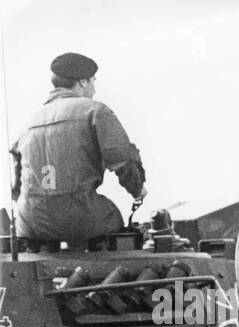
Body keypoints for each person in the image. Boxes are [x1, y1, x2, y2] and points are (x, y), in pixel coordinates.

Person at [9, 52, 146, 247]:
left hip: (31, 224)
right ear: (82, 82)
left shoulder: (28, 122)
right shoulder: (95, 111)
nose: (94, 88)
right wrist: (138, 190)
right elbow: (122, 159)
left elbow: (16, 187)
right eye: (93, 81)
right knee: (114, 218)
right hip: (81, 219)